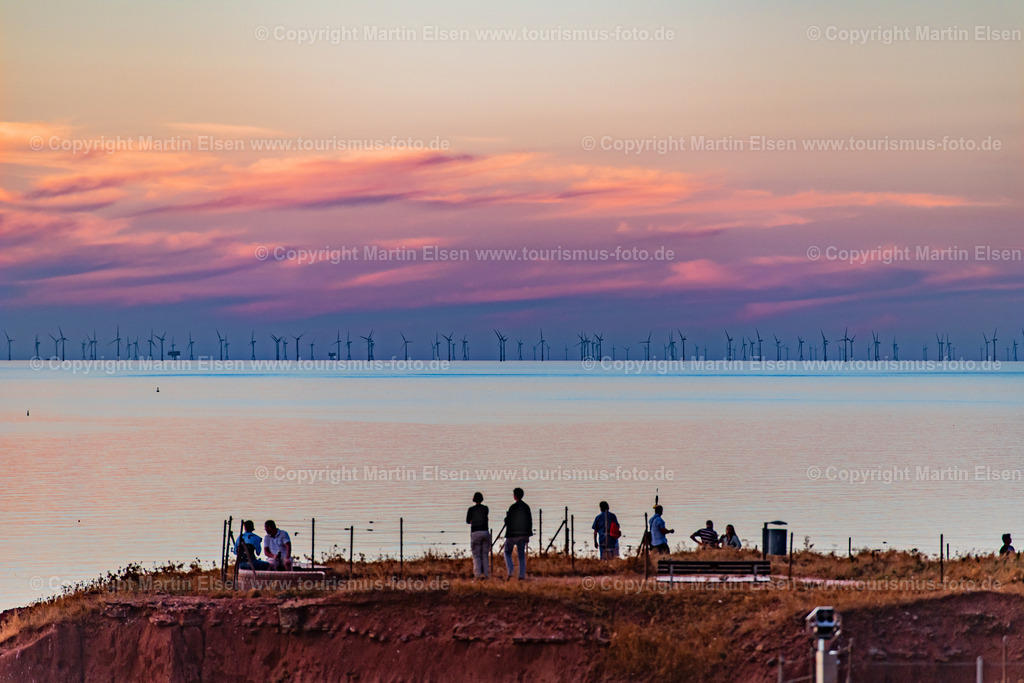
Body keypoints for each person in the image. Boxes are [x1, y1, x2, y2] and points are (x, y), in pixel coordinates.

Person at [503, 488, 532, 579]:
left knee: (507, 552)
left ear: (515, 496)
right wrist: (528, 534)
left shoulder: (512, 507)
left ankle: (510, 571)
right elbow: (529, 521)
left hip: (512, 534)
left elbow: (508, 521)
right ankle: (521, 575)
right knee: (521, 555)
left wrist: (506, 519)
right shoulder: (526, 507)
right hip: (523, 534)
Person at [467, 492, 490, 578]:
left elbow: (467, 521)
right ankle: (486, 574)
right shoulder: (485, 509)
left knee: (476, 555)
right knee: (485, 554)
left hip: (475, 532)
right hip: (485, 532)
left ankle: (478, 575)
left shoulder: (471, 509)